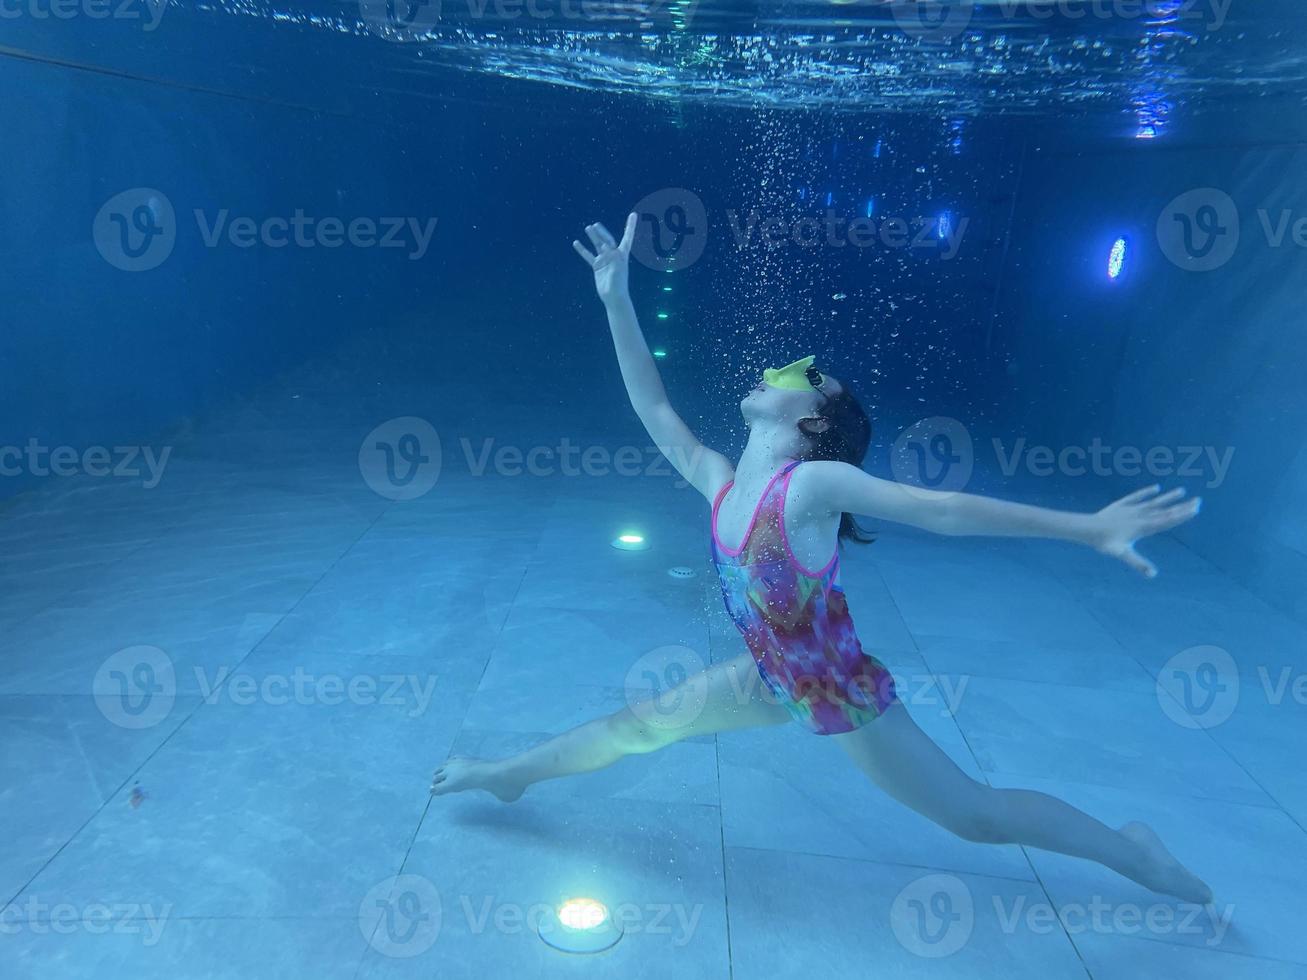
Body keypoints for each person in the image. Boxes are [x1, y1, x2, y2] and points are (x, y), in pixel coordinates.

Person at [431, 213, 1212, 905]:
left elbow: (939, 510)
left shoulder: (813, 484)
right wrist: (615, 299)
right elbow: (653, 407)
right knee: (638, 726)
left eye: (805, 377)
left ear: (812, 422)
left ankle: (1133, 852)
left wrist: (1086, 527)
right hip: (770, 676)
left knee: (973, 816)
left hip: (838, 690)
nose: (781, 368)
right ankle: (512, 774)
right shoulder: (723, 482)